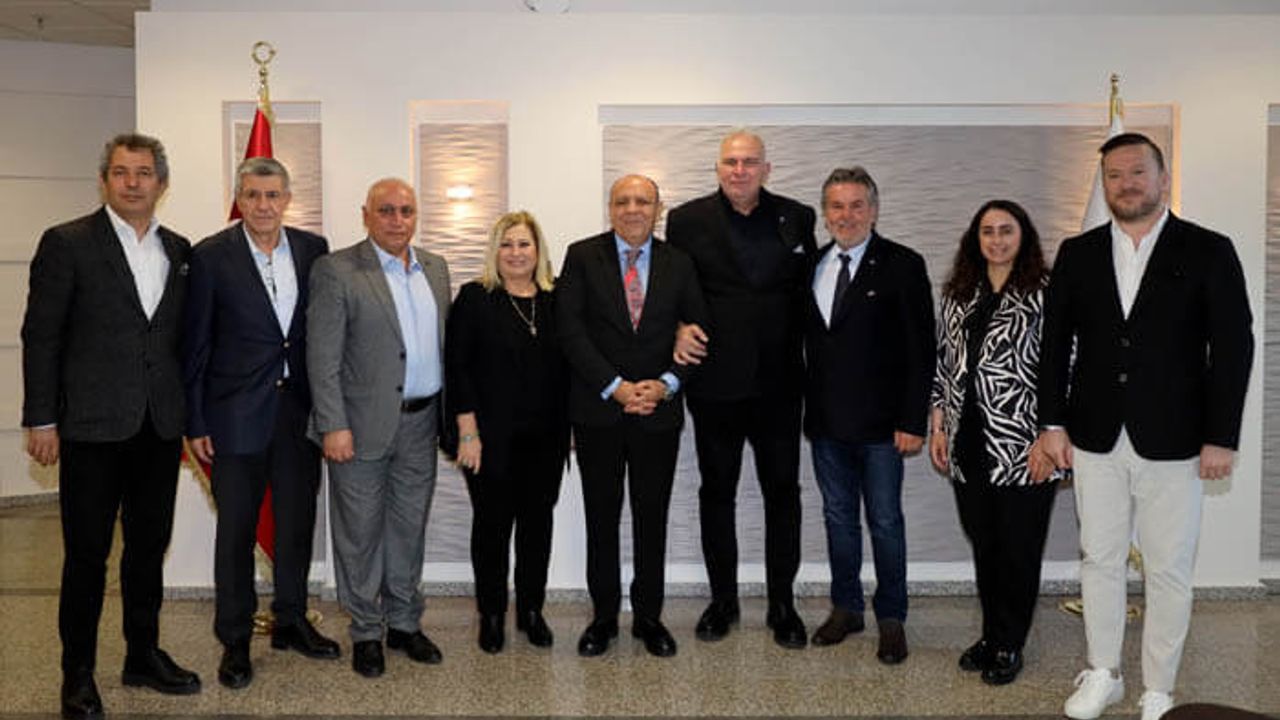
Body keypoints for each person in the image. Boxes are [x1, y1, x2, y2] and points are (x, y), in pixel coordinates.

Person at [1039, 133, 1253, 720]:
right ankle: (1103, 673)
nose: (1126, 184)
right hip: (1093, 435)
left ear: (1162, 178)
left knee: (1168, 569)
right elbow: (1055, 345)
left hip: (1177, 439)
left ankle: (1158, 688)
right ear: (1104, 184)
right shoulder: (1078, 252)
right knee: (1099, 559)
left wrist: (1221, 435)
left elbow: (1233, 347)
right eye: (1114, 175)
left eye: (1137, 172)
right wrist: (1051, 422)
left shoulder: (1209, 249)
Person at [22, 133, 201, 718]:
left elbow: (181, 341)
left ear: (160, 183)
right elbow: (42, 336)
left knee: (148, 548)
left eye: (144, 172)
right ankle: (77, 674)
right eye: (121, 172)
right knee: (86, 556)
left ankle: (142, 655)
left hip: (159, 427)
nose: (132, 182)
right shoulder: (67, 242)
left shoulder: (180, 250)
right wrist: (42, 418)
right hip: (91, 428)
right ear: (104, 180)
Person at [183, 157, 338, 690]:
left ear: (287, 199)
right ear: (239, 199)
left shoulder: (314, 250)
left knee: (296, 524)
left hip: (298, 414)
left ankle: (291, 620)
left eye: (273, 195)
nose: (263, 205)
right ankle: (234, 640)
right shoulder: (210, 256)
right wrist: (195, 420)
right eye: (252, 195)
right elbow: (195, 344)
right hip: (234, 417)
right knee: (236, 532)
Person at [666, 129, 817, 648]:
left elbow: (807, 294)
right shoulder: (685, 221)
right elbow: (673, 288)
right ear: (718, 168)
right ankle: (723, 602)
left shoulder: (797, 217)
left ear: (766, 169)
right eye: (731, 161)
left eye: (750, 162)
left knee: (784, 495)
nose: (739, 170)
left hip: (780, 384)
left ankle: (782, 605)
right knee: (717, 494)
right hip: (715, 384)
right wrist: (676, 328)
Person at [557, 174, 708, 659]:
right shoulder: (582, 256)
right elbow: (570, 331)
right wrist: (616, 387)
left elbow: (698, 331)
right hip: (599, 411)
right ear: (610, 208)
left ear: (657, 209)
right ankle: (603, 618)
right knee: (601, 518)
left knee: (651, 517)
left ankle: (648, 618)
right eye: (622, 201)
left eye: (643, 201)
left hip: (658, 414)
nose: (632, 209)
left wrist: (666, 384)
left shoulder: (679, 262)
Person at [307, 178, 452, 678]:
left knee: (409, 529)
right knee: (359, 534)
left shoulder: (435, 268)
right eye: (385, 210)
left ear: (416, 216)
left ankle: (405, 624)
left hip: (422, 423)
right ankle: (367, 631)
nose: (397, 220)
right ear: (366, 215)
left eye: (406, 210)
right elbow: (322, 356)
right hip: (358, 427)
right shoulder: (337, 270)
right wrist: (333, 424)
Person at [800, 166, 934, 665]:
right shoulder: (812, 266)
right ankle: (847, 607)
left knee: (885, 521)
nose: (847, 215)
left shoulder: (903, 264)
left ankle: (892, 616)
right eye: (837, 206)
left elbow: (922, 349)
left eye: (857, 205)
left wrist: (913, 420)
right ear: (825, 213)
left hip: (883, 427)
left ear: (874, 211)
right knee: (838, 519)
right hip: (826, 423)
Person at [929, 199, 1060, 685]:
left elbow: (1064, 370)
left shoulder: (1046, 293)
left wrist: (1050, 438)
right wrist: (938, 424)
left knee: (1018, 548)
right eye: (988, 231)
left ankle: (1010, 643)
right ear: (975, 238)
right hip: (968, 442)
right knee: (985, 544)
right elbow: (944, 364)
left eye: (1007, 230)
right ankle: (990, 634)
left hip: (1024, 444)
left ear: (1023, 237)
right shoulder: (959, 293)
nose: (997, 240)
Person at [445, 211, 569, 654]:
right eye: (507, 244)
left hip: (547, 438)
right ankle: (492, 615)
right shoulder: (476, 298)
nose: (516, 253)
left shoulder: (556, 299)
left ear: (538, 250)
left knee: (538, 528)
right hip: (489, 440)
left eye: (524, 244)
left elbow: (570, 367)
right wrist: (467, 432)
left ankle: (532, 611)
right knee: (492, 530)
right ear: (495, 252)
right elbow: (457, 367)